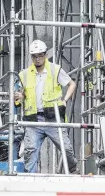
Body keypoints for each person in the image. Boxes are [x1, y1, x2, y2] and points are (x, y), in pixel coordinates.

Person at [15, 40, 79, 173]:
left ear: (45, 55)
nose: (37, 59)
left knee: (66, 148)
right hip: (33, 120)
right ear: (31, 57)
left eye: (40, 55)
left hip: (53, 118)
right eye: (34, 56)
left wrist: (65, 99)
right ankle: (29, 181)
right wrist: (19, 97)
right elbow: (21, 94)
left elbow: (71, 84)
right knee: (30, 150)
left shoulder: (55, 70)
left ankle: (73, 170)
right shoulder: (24, 74)